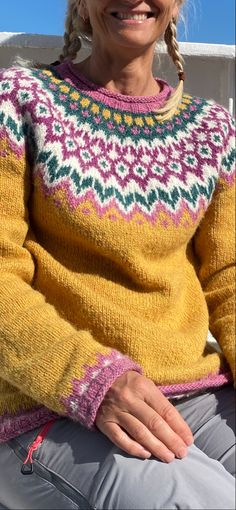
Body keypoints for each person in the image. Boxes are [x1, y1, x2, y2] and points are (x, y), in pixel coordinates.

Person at [0, 0, 235, 508]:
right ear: (80, 3)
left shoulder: (211, 131)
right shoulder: (22, 102)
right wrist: (90, 379)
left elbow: (229, 275)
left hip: (196, 392)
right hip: (49, 404)